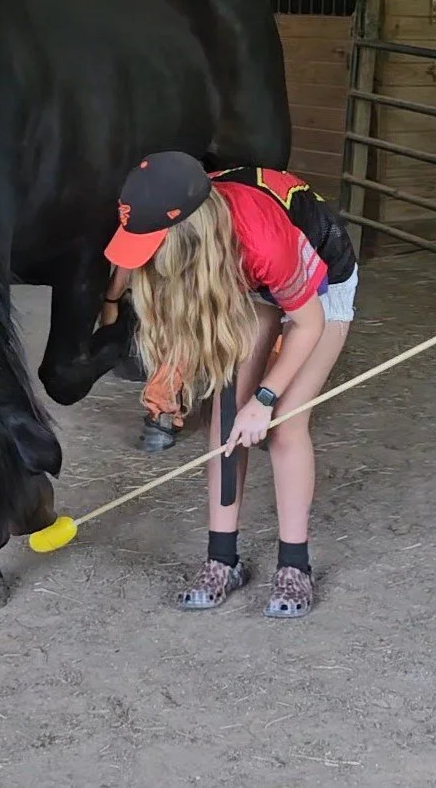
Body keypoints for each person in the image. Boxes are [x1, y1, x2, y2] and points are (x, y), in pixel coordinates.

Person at [103, 151, 358, 618]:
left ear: (183, 236)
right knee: (226, 418)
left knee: (283, 423)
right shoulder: (180, 222)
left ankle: (295, 565)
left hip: (317, 288)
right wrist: (109, 300)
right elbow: (127, 258)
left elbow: (306, 322)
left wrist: (265, 398)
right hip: (244, 277)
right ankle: (223, 560)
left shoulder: (261, 241)